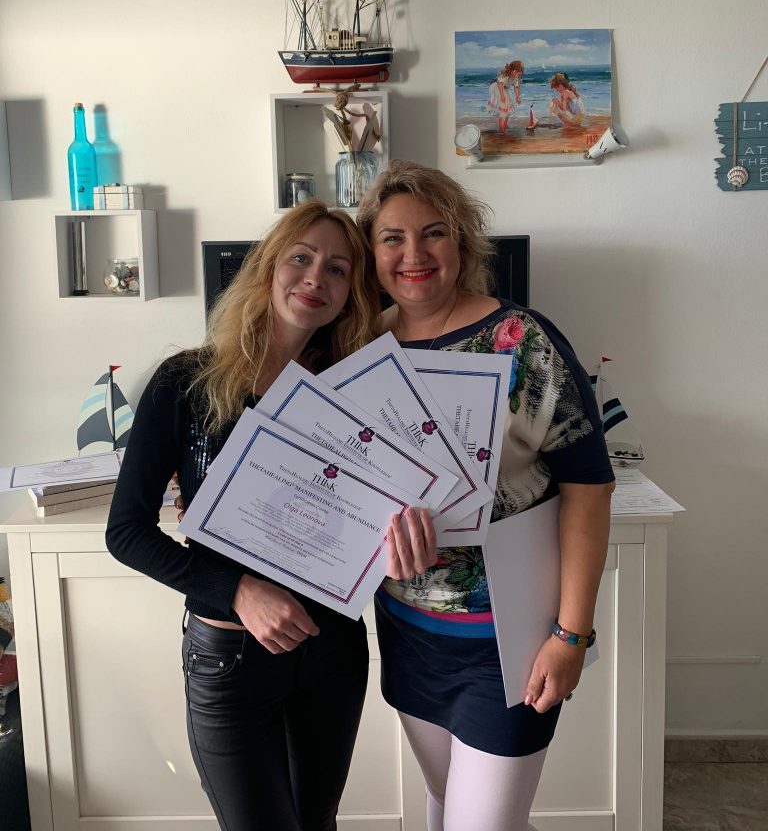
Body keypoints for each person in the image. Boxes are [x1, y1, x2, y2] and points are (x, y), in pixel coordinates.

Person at [106, 201, 386, 831]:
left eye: (338, 269)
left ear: (352, 294)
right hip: (231, 658)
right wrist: (237, 591)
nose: (316, 278)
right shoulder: (187, 381)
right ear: (267, 268)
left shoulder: (354, 390)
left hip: (332, 651)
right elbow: (126, 533)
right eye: (301, 257)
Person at [356, 161, 615, 831]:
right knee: (447, 807)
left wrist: (572, 634)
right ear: (371, 252)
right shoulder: (363, 346)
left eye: (433, 232)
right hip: (408, 632)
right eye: (392, 238)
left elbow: (590, 487)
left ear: (463, 241)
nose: (413, 254)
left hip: (509, 642)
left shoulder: (522, 340)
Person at [486, 60, 524, 134]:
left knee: (508, 107)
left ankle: (505, 125)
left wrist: (517, 97)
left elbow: (516, 88)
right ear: (512, 71)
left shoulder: (516, 78)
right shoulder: (505, 75)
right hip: (497, 88)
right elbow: (500, 84)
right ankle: (501, 128)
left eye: (519, 73)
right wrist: (502, 96)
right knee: (503, 108)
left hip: (504, 89)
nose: (518, 75)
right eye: (517, 72)